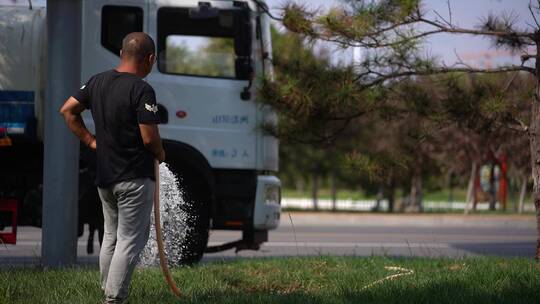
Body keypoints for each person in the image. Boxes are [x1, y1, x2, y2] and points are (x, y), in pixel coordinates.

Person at [60, 32, 166, 304]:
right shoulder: (142, 89)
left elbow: (67, 110)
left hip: (105, 177)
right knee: (129, 239)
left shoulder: (96, 82)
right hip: (134, 177)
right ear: (150, 58)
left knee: (111, 236)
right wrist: (161, 153)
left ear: (121, 54)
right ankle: (114, 299)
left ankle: (106, 291)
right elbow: (148, 136)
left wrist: (90, 141)